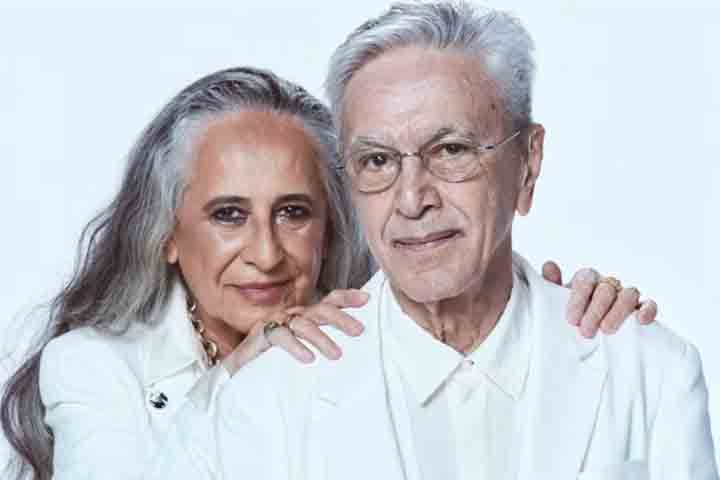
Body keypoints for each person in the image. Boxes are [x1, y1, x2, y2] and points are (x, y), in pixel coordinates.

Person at [151, 2, 719, 480]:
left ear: (527, 161)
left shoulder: (651, 373)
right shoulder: (265, 400)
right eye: (376, 161)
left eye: (450, 150)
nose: (411, 199)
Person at [2, 66, 653, 480]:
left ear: (333, 222)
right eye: (229, 214)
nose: (266, 253)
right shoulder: (91, 367)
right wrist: (236, 378)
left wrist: (560, 331)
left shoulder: (391, 340)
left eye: (293, 212)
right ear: (169, 233)